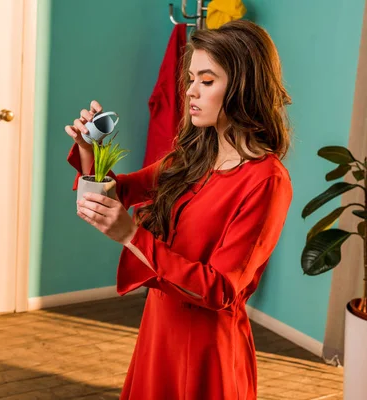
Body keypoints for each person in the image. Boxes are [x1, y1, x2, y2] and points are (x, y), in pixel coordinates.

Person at [64, 20, 292, 400]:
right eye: (190, 80)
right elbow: (120, 192)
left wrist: (131, 236)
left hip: (207, 349)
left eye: (206, 81)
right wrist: (91, 150)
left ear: (243, 87)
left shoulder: (266, 180)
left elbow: (221, 289)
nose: (190, 92)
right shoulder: (191, 158)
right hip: (159, 328)